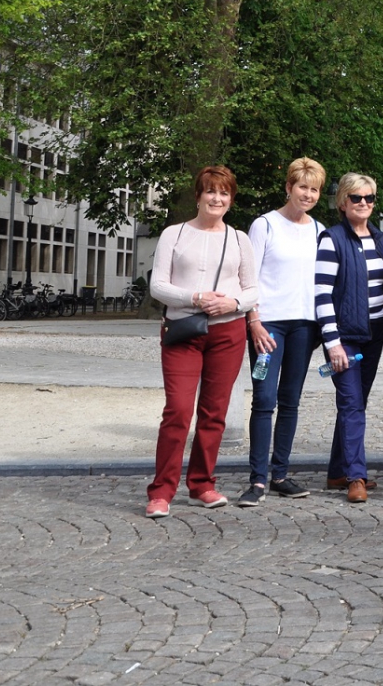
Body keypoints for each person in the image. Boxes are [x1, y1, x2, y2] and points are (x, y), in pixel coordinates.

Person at [145, 166, 259, 518]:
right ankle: (161, 490)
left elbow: (253, 289)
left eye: (224, 193)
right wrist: (194, 297)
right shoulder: (174, 234)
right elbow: (158, 286)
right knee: (177, 410)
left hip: (228, 332)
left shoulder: (240, 239)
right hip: (183, 331)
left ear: (231, 200)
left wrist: (232, 303)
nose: (217, 198)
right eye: (210, 191)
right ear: (198, 196)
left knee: (214, 413)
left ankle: (201, 484)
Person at [238, 157, 325, 507]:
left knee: (290, 401)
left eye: (314, 189)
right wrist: (253, 321)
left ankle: (280, 473)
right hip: (268, 326)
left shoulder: (319, 230)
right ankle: (257, 480)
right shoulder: (264, 225)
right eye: (302, 186)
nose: (307, 194)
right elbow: (248, 276)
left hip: (304, 325)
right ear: (288, 187)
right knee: (264, 401)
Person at [315, 172, 383, 504]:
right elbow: (322, 295)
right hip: (345, 335)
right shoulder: (332, 239)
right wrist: (332, 343)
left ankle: (337, 470)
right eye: (356, 198)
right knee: (350, 403)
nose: (363, 203)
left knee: (355, 403)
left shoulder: (380, 239)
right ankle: (355, 477)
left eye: (369, 198)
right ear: (343, 203)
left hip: (373, 334)